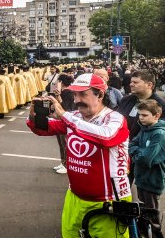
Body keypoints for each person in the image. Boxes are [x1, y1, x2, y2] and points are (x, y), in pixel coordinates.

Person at [26, 73, 131, 238]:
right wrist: (34, 117)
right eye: (75, 94)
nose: (76, 100)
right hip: (75, 196)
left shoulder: (115, 119)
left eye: (83, 94)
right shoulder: (74, 117)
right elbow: (44, 129)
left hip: (109, 200)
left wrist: (65, 116)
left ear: (100, 95)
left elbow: (106, 137)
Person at [118, 69, 165, 184]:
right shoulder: (125, 100)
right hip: (122, 152)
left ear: (149, 85)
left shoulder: (160, 105)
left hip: (144, 157)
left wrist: (140, 151)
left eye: (135, 82)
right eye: (131, 81)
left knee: (147, 195)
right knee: (120, 188)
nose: (131, 84)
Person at [129, 99, 165, 212]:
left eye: (145, 115)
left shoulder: (159, 134)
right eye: (139, 114)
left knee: (151, 213)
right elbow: (131, 144)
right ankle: (144, 229)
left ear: (157, 116)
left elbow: (145, 159)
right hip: (141, 178)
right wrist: (139, 152)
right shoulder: (145, 128)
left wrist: (135, 154)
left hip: (152, 181)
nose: (141, 118)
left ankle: (155, 230)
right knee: (143, 210)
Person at [50, 74, 76, 175]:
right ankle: (63, 162)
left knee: (65, 144)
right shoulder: (63, 92)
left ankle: (66, 165)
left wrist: (59, 98)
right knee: (61, 144)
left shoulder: (68, 93)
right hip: (60, 120)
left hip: (65, 121)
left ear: (61, 82)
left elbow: (67, 109)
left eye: (58, 81)